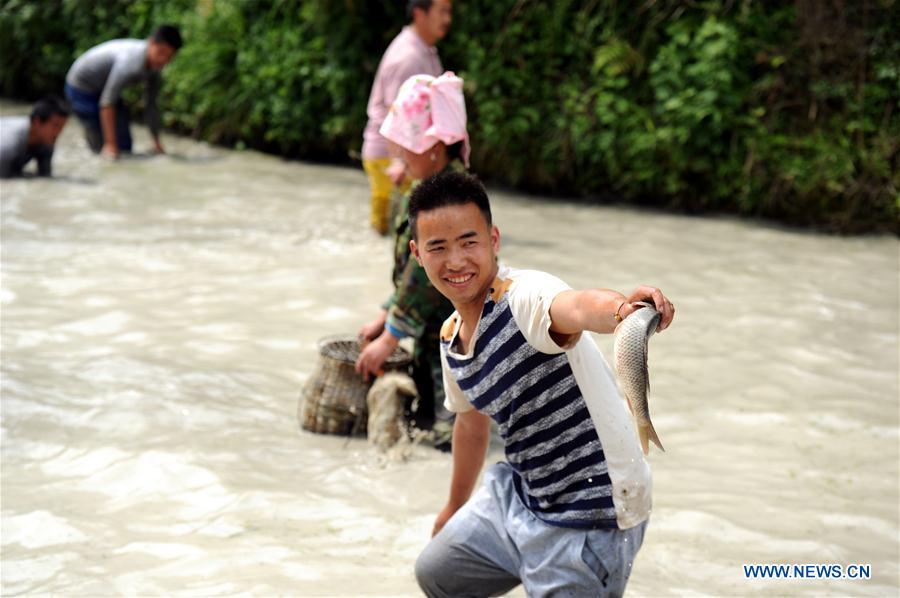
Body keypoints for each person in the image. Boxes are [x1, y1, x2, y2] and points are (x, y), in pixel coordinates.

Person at [408, 171, 676, 596]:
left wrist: (624, 310)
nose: (456, 261)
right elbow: (470, 426)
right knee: (438, 574)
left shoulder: (524, 297)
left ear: (494, 240)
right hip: (521, 493)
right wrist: (452, 507)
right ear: (417, 255)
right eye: (438, 247)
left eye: (468, 242)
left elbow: (578, 306)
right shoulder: (450, 336)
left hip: (592, 510)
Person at [355, 72, 470, 449]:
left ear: (435, 145)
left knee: (448, 438)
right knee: (429, 431)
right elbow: (410, 270)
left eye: (408, 144)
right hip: (431, 334)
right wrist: (384, 315)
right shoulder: (428, 189)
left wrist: (389, 338)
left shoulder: (448, 199)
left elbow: (426, 274)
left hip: (456, 343)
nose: (401, 153)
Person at [361, 0, 452, 234]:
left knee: (405, 230)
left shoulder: (424, 49)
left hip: (408, 156)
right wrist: (399, 160)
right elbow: (397, 115)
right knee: (394, 231)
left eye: (448, 12)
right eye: (441, 12)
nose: (447, 19)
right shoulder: (409, 58)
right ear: (419, 14)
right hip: (392, 157)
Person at [64, 25, 182, 159]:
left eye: (169, 57)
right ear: (151, 42)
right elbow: (107, 102)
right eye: (161, 52)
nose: (163, 60)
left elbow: (151, 106)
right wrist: (110, 145)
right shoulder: (130, 62)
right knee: (101, 147)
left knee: (125, 145)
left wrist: (157, 143)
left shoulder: (154, 70)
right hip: (80, 87)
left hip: (104, 88)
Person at [0, 96, 70, 178]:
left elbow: (45, 178)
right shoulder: (8, 145)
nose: (59, 132)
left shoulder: (46, 142)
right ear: (37, 122)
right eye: (55, 126)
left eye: (62, 127)